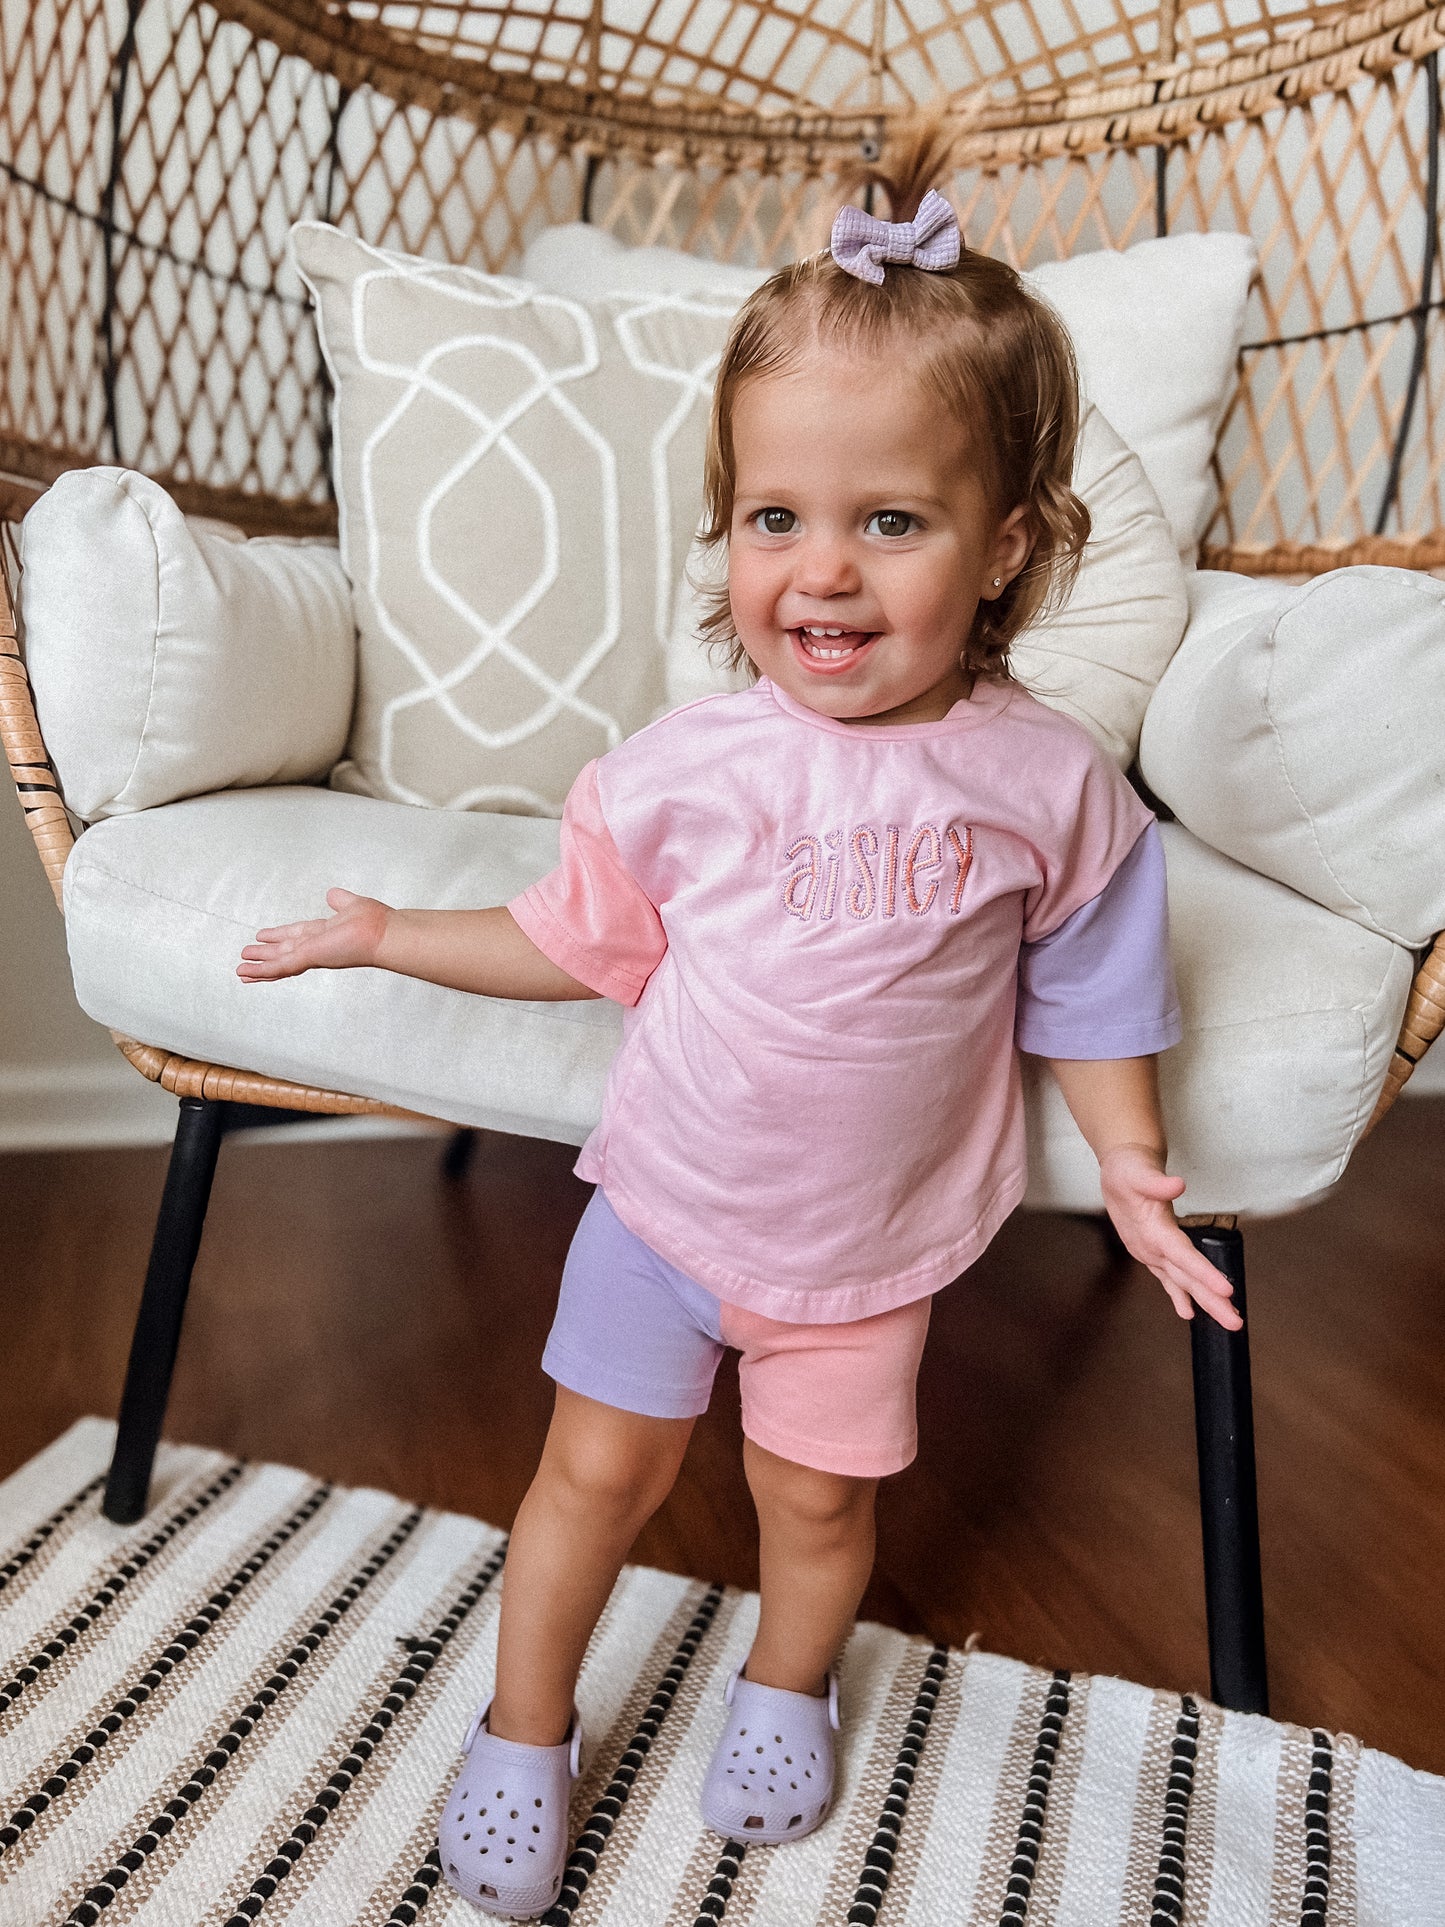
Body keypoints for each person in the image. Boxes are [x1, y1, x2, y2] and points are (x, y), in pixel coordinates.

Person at [238, 153, 1241, 1922]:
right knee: (589, 1477)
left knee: (818, 1511)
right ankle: (523, 1727)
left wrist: (1137, 1162)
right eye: (775, 518)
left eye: (891, 523)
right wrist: (389, 934)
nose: (821, 572)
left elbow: (1088, 983)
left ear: (1008, 545)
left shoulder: (1046, 784)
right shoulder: (682, 771)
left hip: (863, 1262)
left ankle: (784, 1687)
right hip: (663, 1216)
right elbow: (572, 939)